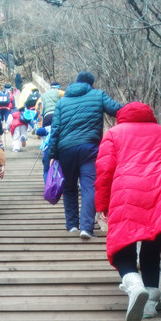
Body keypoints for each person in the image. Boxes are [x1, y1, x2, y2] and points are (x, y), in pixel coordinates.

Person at [95, 101, 161, 321]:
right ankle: (149, 305)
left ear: (122, 116)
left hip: (126, 192)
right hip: (158, 191)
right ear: (148, 115)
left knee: (122, 245)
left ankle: (134, 286)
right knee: (152, 246)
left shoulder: (113, 133)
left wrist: (102, 205)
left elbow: (104, 170)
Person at [48, 71, 123, 239]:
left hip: (65, 149)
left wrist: (52, 153)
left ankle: (72, 225)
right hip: (89, 148)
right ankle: (86, 228)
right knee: (89, 187)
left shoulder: (62, 101)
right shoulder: (97, 95)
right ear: (92, 84)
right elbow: (117, 110)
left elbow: (55, 130)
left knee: (69, 188)